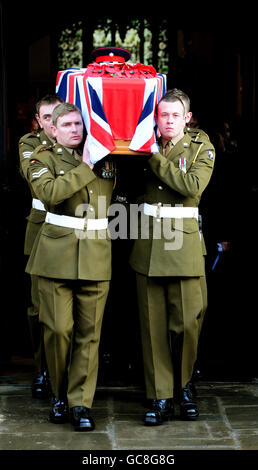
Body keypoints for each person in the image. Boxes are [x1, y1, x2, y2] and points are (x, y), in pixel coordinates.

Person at [129, 89, 215, 424]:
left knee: (187, 323)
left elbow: (191, 186)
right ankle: (160, 396)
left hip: (183, 244)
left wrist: (152, 156)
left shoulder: (200, 146)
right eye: (162, 115)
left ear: (187, 118)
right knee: (152, 328)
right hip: (149, 243)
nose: (167, 121)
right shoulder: (141, 142)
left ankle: (184, 384)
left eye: (174, 115)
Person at [26, 102, 113, 431]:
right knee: (59, 329)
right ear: (54, 129)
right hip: (55, 256)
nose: (75, 130)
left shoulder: (104, 154)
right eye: (67, 125)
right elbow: (49, 194)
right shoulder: (43, 158)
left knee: (89, 336)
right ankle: (59, 393)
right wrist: (85, 167)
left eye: (79, 124)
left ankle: (80, 403)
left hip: (95, 256)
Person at [19, 94, 64, 398]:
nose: (50, 123)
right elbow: (33, 178)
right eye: (45, 118)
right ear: (38, 121)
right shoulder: (30, 144)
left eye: (55, 116)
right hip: (41, 227)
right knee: (39, 307)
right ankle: (43, 369)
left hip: (70, 230)